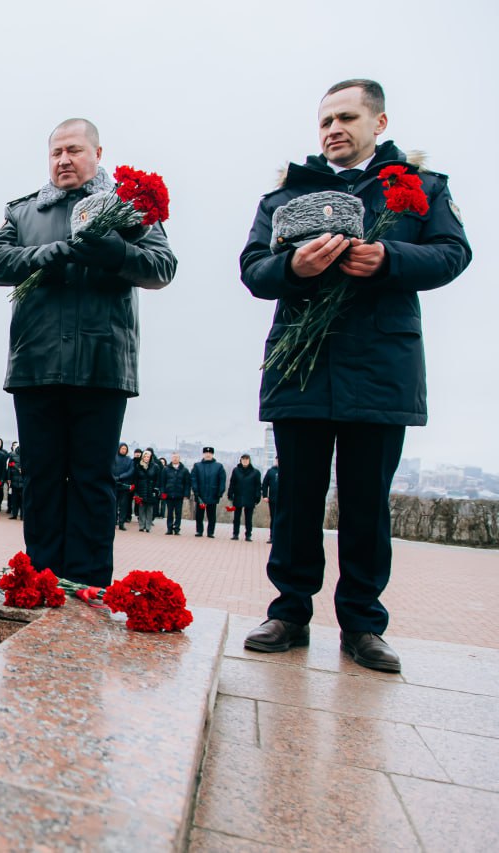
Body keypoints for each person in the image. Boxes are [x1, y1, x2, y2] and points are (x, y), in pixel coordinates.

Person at [240, 79, 470, 671]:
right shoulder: (286, 194)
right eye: (325, 121)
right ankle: (289, 612)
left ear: (379, 123)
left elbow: (453, 253)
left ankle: (363, 625)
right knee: (296, 497)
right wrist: (293, 266)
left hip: (381, 365)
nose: (334, 130)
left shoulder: (421, 187)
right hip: (301, 366)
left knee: (367, 502)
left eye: (346, 117)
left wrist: (389, 258)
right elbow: (253, 268)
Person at [0, 117, 176, 586]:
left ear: (97, 154)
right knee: (41, 479)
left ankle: (89, 588)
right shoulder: (25, 212)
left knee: (93, 482)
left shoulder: (127, 208)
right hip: (36, 366)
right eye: (56, 152)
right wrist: (50, 253)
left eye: (74, 150)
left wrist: (116, 253)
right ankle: (43, 581)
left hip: (102, 366)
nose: (64, 160)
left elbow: (162, 266)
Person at [191, 446, 225, 538]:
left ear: (212, 454)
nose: (208, 455)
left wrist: (220, 492)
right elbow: (193, 479)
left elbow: (222, 480)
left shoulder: (219, 466)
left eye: (210, 453)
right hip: (200, 495)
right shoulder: (197, 466)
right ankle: (199, 531)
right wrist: (195, 490)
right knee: (199, 515)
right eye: (206, 453)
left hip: (213, 494)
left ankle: (210, 532)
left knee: (211, 516)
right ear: (203, 454)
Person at [228, 454, 263, 541]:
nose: (245, 461)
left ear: (249, 461)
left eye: (246, 459)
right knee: (236, 517)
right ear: (240, 460)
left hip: (250, 497)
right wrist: (230, 493)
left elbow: (258, 486)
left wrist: (257, 497)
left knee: (248, 518)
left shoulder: (255, 472)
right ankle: (235, 534)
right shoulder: (236, 471)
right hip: (238, 496)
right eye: (243, 459)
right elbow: (232, 483)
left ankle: (248, 535)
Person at [131, 448, 162, 532]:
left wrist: (156, 489)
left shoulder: (155, 467)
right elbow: (135, 479)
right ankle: (141, 525)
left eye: (148, 457)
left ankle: (148, 526)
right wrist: (136, 491)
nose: (146, 458)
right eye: (145, 456)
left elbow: (158, 479)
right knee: (141, 508)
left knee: (149, 509)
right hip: (141, 489)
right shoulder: (138, 466)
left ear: (150, 457)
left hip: (151, 490)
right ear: (142, 457)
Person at [162, 452, 191, 535]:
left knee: (178, 513)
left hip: (179, 495)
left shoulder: (184, 470)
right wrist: (163, 492)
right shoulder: (166, 469)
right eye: (174, 457)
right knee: (170, 513)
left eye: (177, 457)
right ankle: (169, 528)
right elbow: (162, 482)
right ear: (171, 458)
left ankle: (177, 528)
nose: (175, 459)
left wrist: (186, 494)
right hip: (169, 494)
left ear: (179, 458)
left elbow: (187, 483)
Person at [112, 443, 135, 531]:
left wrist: (120, 477)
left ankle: (122, 523)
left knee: (124, 505)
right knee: (114, 504)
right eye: (122, 448)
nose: (123, 450)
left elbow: (131, 471)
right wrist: (114, 477)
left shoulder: (129, 460)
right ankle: (113, 522)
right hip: (114, 484)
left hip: (124, 485)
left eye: (125, 449)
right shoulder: (113, 458)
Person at [262, 456, 280, 544]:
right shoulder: (271, 471)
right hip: (272, 499)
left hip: (284, 501)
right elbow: (265, 484)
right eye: (277, 460)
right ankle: (272, 537)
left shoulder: (288, 471)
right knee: (273, 518)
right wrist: (265, 495)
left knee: (283, 518)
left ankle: (281, 538)